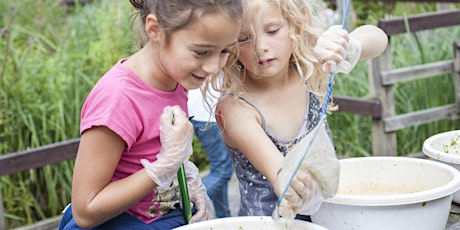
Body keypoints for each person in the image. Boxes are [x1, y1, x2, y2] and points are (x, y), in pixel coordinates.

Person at [58, 0, 242, 229]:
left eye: (225, 50)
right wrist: (163, 166)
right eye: (201, 52)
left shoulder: (176, 80)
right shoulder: (118, 99)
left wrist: (190, 180)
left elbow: (154, 150)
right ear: (154, 30)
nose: (214, 67)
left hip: (160, 216)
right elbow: (86, 211)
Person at [210, 0, 388, 221]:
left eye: (272, 30)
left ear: (293, 25)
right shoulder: (235, 107)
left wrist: (349, 45)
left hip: (328, 217)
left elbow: (379, 37)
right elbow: (284, 179)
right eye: (244, 39)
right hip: (269, 224)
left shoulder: (309, 68)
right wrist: (303, 187)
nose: (260, 47)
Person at [188, 83, 234, 218]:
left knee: (218, 168)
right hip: (210, 115)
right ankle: (190, 205)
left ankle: (224, 218)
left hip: (199, 112)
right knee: (222, 172)